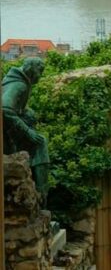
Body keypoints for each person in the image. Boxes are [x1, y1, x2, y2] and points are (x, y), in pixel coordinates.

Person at [2, 57, 49, 206]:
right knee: (40, 143)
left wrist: (26, 112)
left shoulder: (15, 79)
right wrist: (28, 132)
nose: (40, 75)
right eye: (40, 71)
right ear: (32, 70)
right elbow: (5, 109)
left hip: (7, 129)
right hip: (6, 134)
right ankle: (42, 194)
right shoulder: (19, 85)